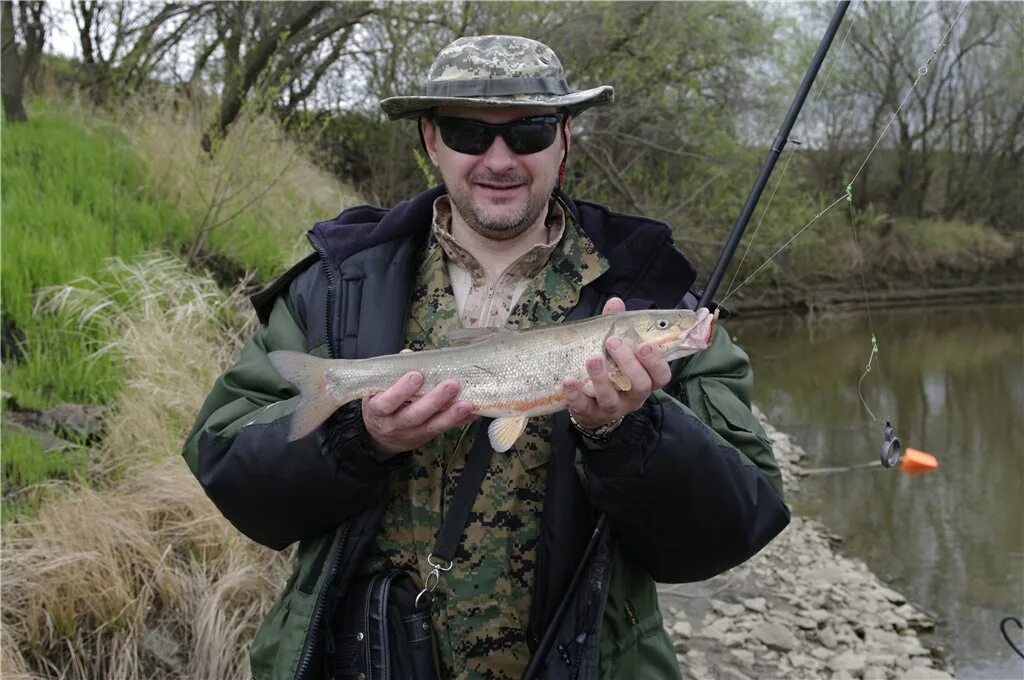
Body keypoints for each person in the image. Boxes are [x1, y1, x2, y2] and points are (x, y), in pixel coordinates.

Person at [183, 34, 789, 680]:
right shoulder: (333, 287)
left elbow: (741, 515)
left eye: (528, 130)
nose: (498, 158)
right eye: (469, 132)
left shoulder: (651, 293)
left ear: (564, 140)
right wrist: (358, 438)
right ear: (430, 139)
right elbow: (225, 458)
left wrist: (629, 435)